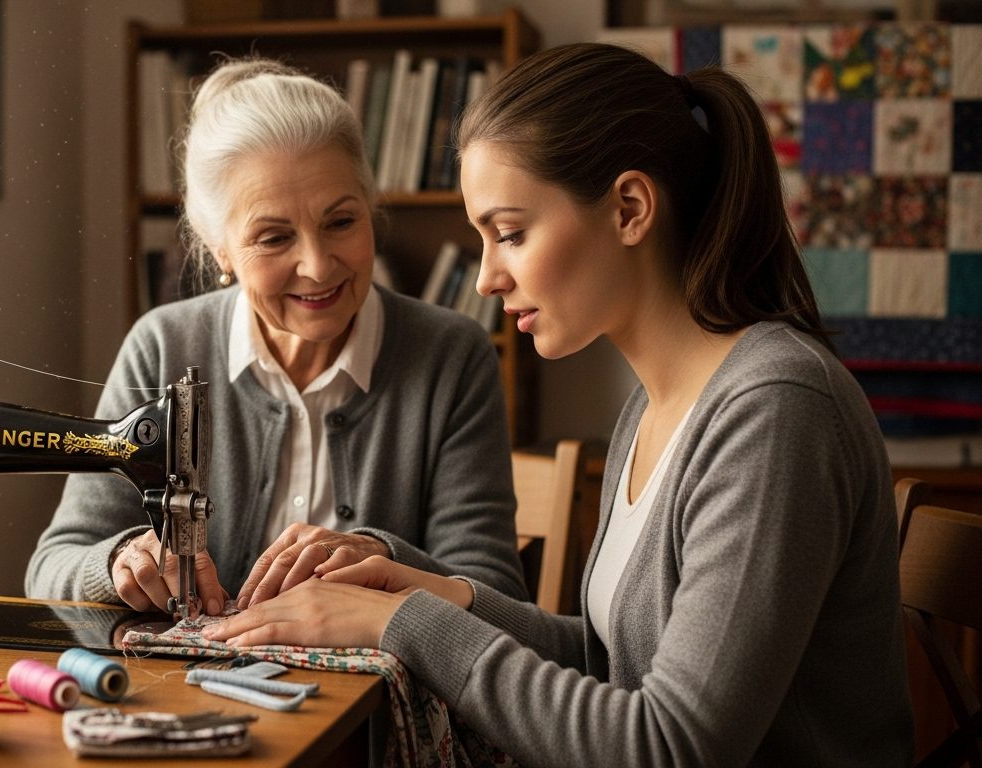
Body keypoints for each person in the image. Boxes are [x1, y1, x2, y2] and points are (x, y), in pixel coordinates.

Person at [203, 43, 915, 765]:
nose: (485, 278)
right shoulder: (653, 409)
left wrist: (403, 623)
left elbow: (668, 746)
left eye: (510, 234)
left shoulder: (774, 410)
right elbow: (610, 663)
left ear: (630, 209)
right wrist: (422, 585)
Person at [25, 58, 527, 616]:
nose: (317, 265)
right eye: (273, 237)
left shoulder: (453, 355)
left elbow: (496, 593)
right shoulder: (162, 346)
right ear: (220, 249)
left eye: (341, 222)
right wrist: (121, 560)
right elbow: (53, 565)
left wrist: (382, 557)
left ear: (370, 207)